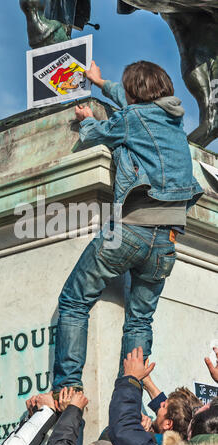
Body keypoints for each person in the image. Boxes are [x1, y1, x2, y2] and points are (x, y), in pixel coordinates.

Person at [52, 60, 204, 393]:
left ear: (134, 93)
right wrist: (101, 81)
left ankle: (68, 388)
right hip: (165, 244)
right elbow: (130, 99)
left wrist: (89, 120)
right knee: (139, 321)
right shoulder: (175, 122)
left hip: (129, 231)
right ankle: (129, 402)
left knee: (74, 301)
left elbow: (96, 134)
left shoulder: (131, 120)